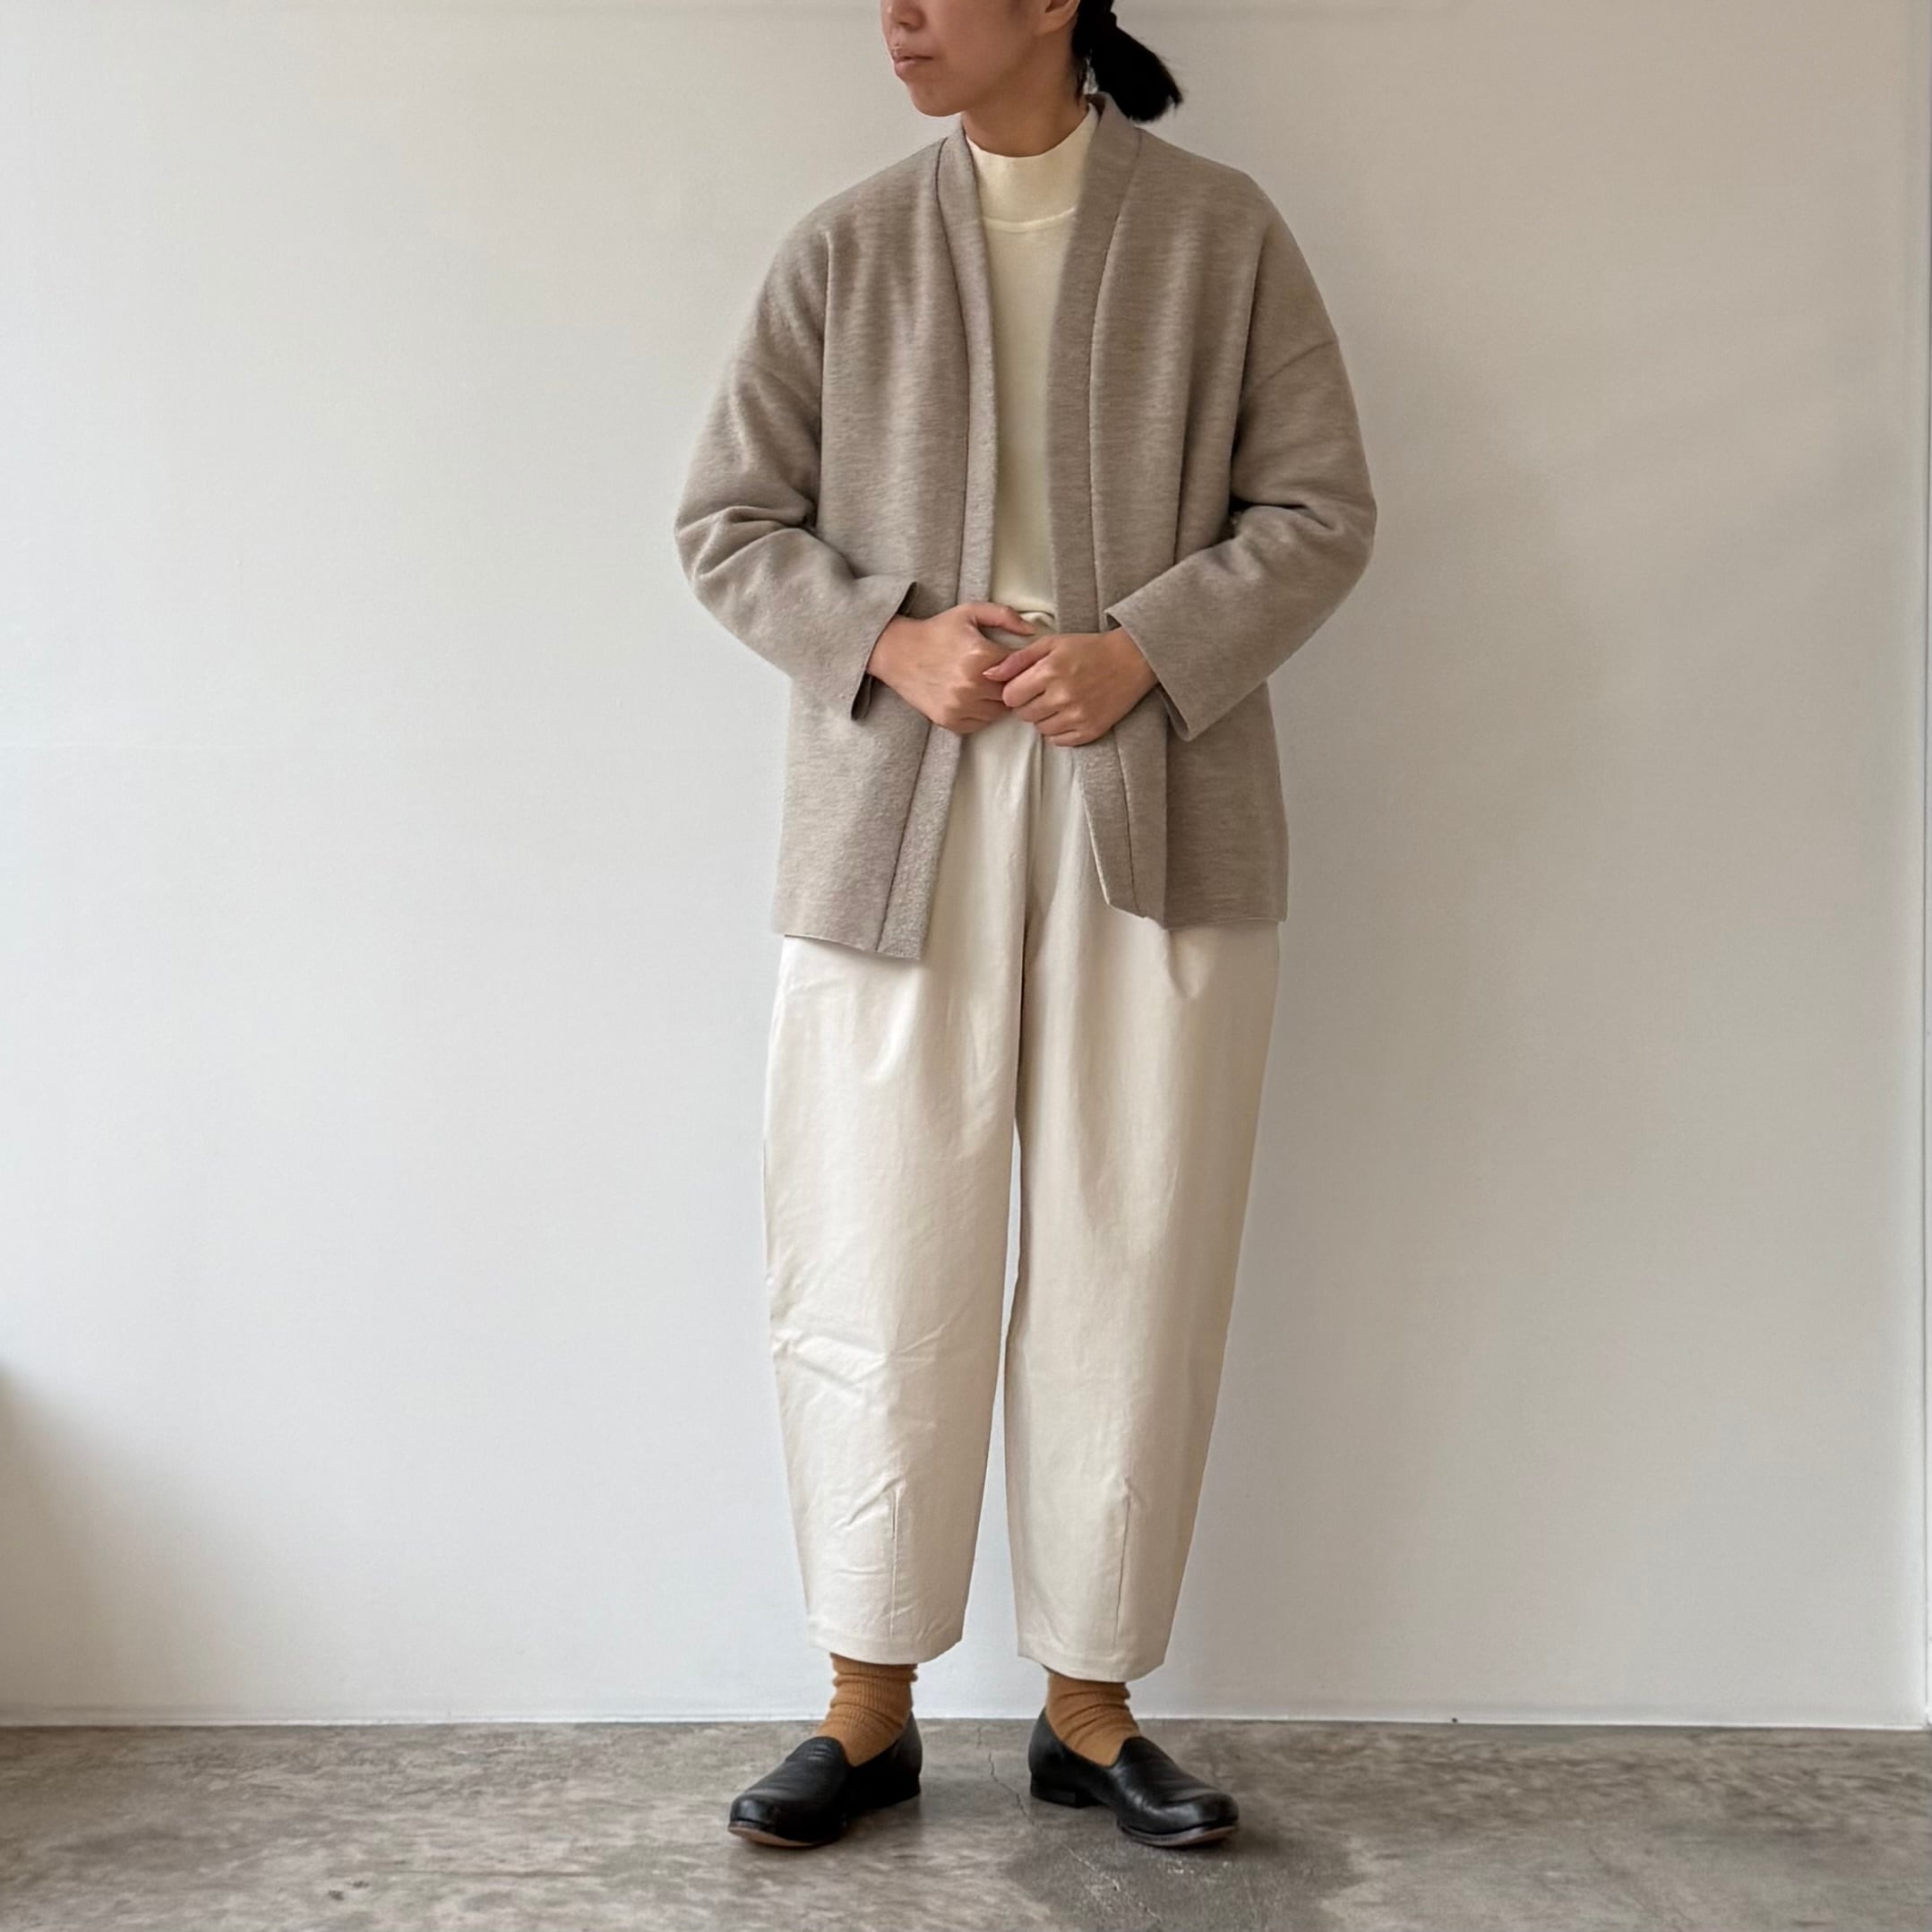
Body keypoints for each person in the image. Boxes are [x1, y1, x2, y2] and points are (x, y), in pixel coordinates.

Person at [673, 0, 1376, 1853]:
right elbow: (727, 520)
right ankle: (864, 1703)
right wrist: (890, 637)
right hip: (891, 821)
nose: (893, 13)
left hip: (1158, 802)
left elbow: (1317, 511)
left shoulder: (1217, 233)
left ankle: (1087, 1707)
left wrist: (1142, 649)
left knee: (1134, 1239)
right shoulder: (844, 246)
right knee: (869, 1232)